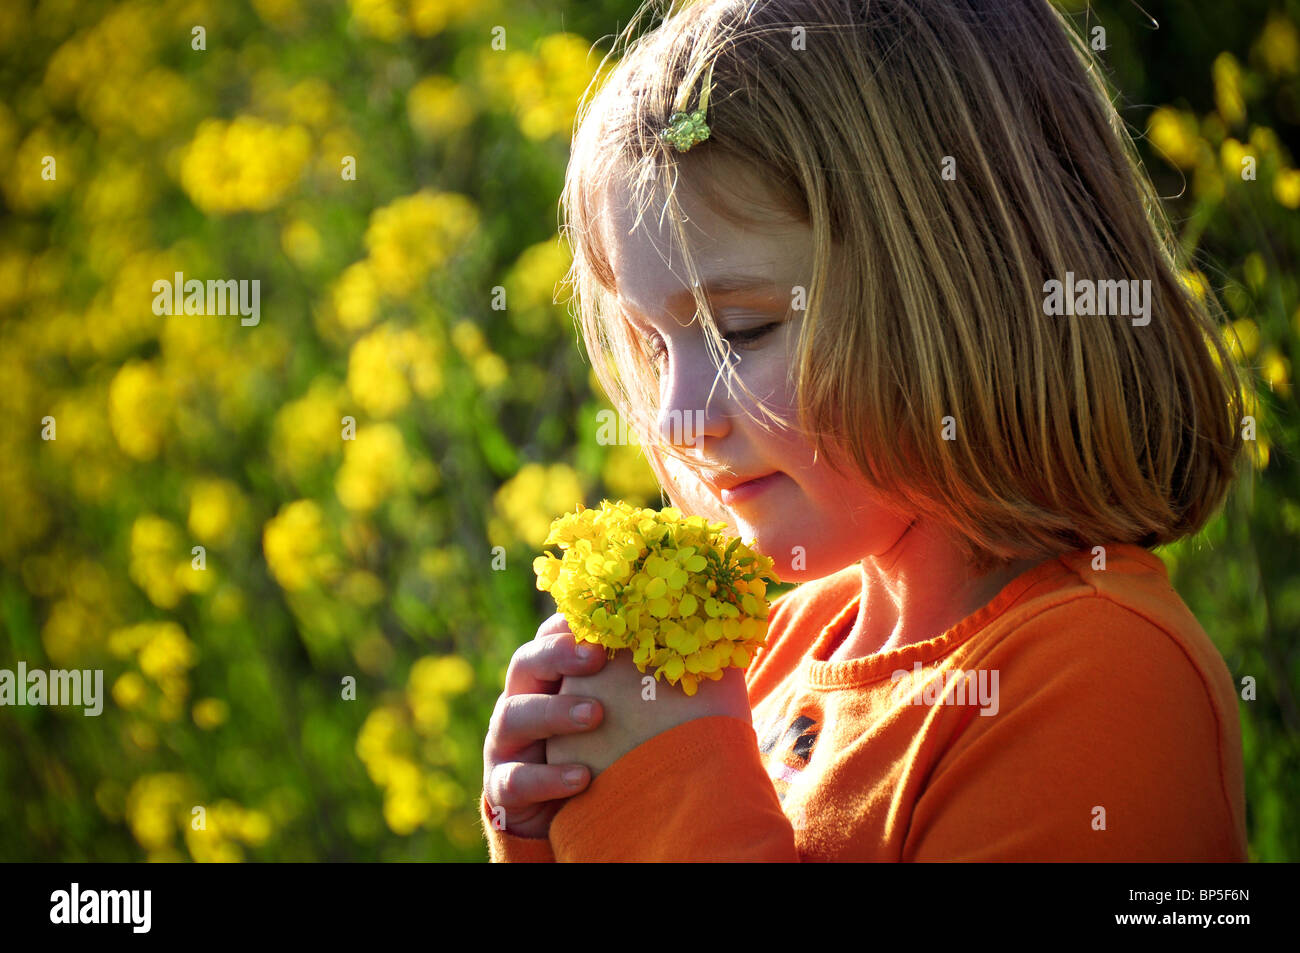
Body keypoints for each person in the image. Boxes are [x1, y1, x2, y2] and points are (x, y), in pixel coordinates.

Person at [481, 0, 1250, 861]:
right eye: (654, 346)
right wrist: (561, 826)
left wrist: (662, 788)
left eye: (743, 331)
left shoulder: (1102, 676)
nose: (674, 416)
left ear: (968, 293)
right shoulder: (774, 652)